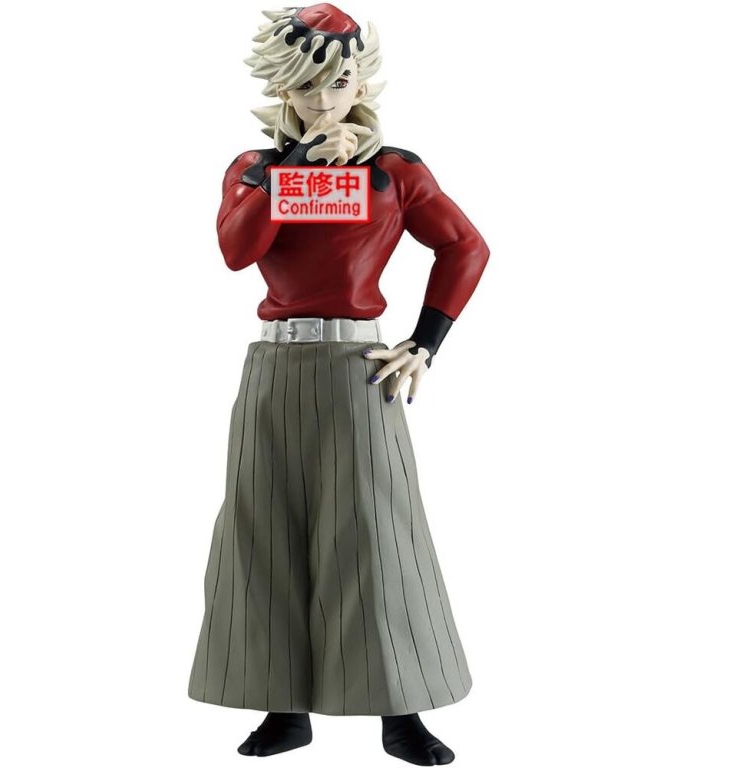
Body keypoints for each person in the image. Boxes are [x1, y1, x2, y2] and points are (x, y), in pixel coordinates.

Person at [187, 5, 489, 764]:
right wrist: (294, 165)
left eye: (341, 81)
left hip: (360, 368)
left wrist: (425, 342)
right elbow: (237, 250)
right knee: (262, 530)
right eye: (308, 84)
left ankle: (400, 711)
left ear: (361, 82)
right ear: (283, 88)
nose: (326, 99)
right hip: (273, 367)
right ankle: (281, 706)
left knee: (377, 534)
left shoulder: (395, 172)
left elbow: (465, 246)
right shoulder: (253, 169)